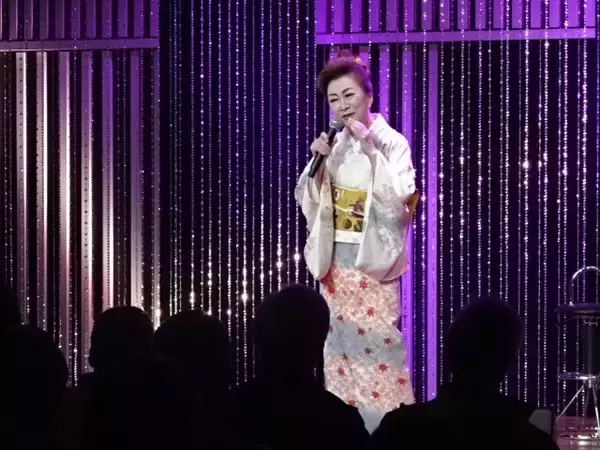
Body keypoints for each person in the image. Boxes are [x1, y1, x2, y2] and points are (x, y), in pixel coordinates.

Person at [295, 49, 416, 431]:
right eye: (334, 99)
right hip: (336, 264)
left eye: (349, 95)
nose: (342, 105)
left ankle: (390, 430)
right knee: (338, 352)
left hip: (371, 263)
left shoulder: (392, 142)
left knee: (380, 349)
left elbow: (402, 199)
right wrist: (317, 168)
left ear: (369, 95)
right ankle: (343, 431)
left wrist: (371, 152)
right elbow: (308, 200)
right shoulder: (333, 142)